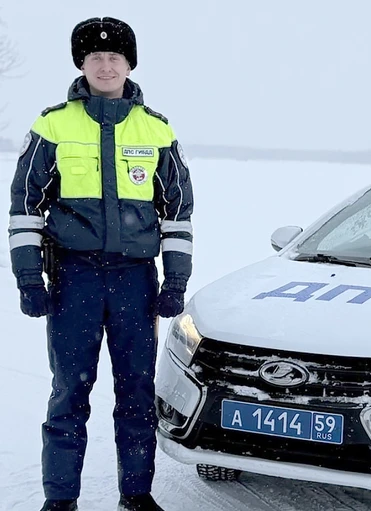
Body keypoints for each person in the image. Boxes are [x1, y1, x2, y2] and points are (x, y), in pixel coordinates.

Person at [8, 17, 193, 511]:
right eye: (95, 57)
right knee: (69, 391)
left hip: (135, 281)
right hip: (76, 278)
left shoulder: (156, 129)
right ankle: (60, 499)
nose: (105, 65)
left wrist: (175, 280)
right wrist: (29, 278)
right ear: (82, 64)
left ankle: (136, 495)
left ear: (130, 64)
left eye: (115, 57)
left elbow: (177, 213)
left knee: (137, 392)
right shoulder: (52, 125)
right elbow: (25, 208)